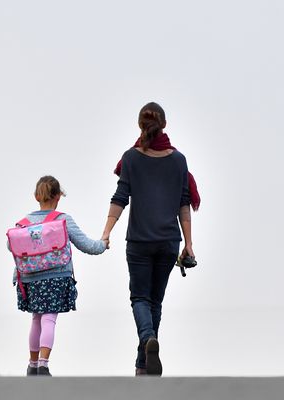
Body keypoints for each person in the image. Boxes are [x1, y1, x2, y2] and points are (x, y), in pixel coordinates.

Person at [101, 102, 200, 376]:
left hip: (140, 242)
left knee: (140, 299)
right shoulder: (179, 161)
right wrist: (188, 244)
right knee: (155, 301)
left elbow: (120, 197)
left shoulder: (130, 159)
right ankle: (142, 365)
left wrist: (106, 232)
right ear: (164, 125)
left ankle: (147, 341)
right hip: (169, 241)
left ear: (139, 126)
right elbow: (185, 204)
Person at [10, 176, 107, 376]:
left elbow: (12, 247)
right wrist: (103, 243)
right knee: (49, 319)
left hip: (29, 278)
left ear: (36, 196)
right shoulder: (63, 219)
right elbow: (88, 246)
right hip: (56, 276)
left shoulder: (22, 224)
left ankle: (33, 365)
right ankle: (44, 365)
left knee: (36, 319)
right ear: (58, 197)